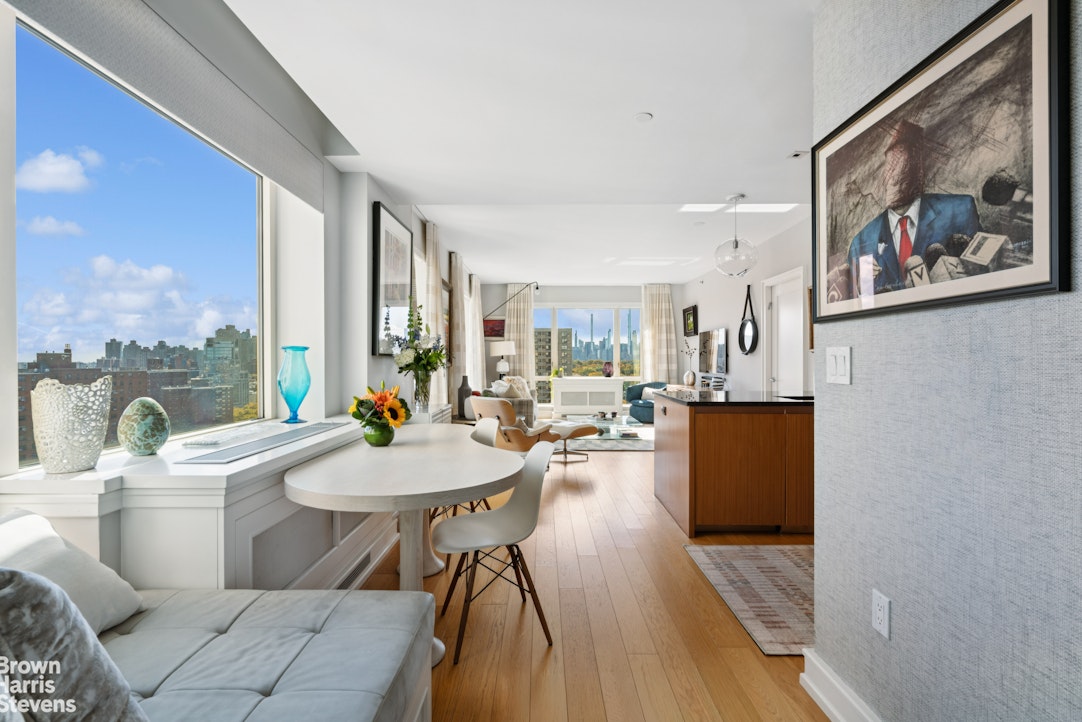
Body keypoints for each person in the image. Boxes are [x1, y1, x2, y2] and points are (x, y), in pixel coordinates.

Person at [846, 120, 981, 296]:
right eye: (889, 166)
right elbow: (858, 303)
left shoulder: (959, 211)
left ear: (919, 170)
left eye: (900, 165)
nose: (892, 176)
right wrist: (860, 286)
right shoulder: (861, 242)